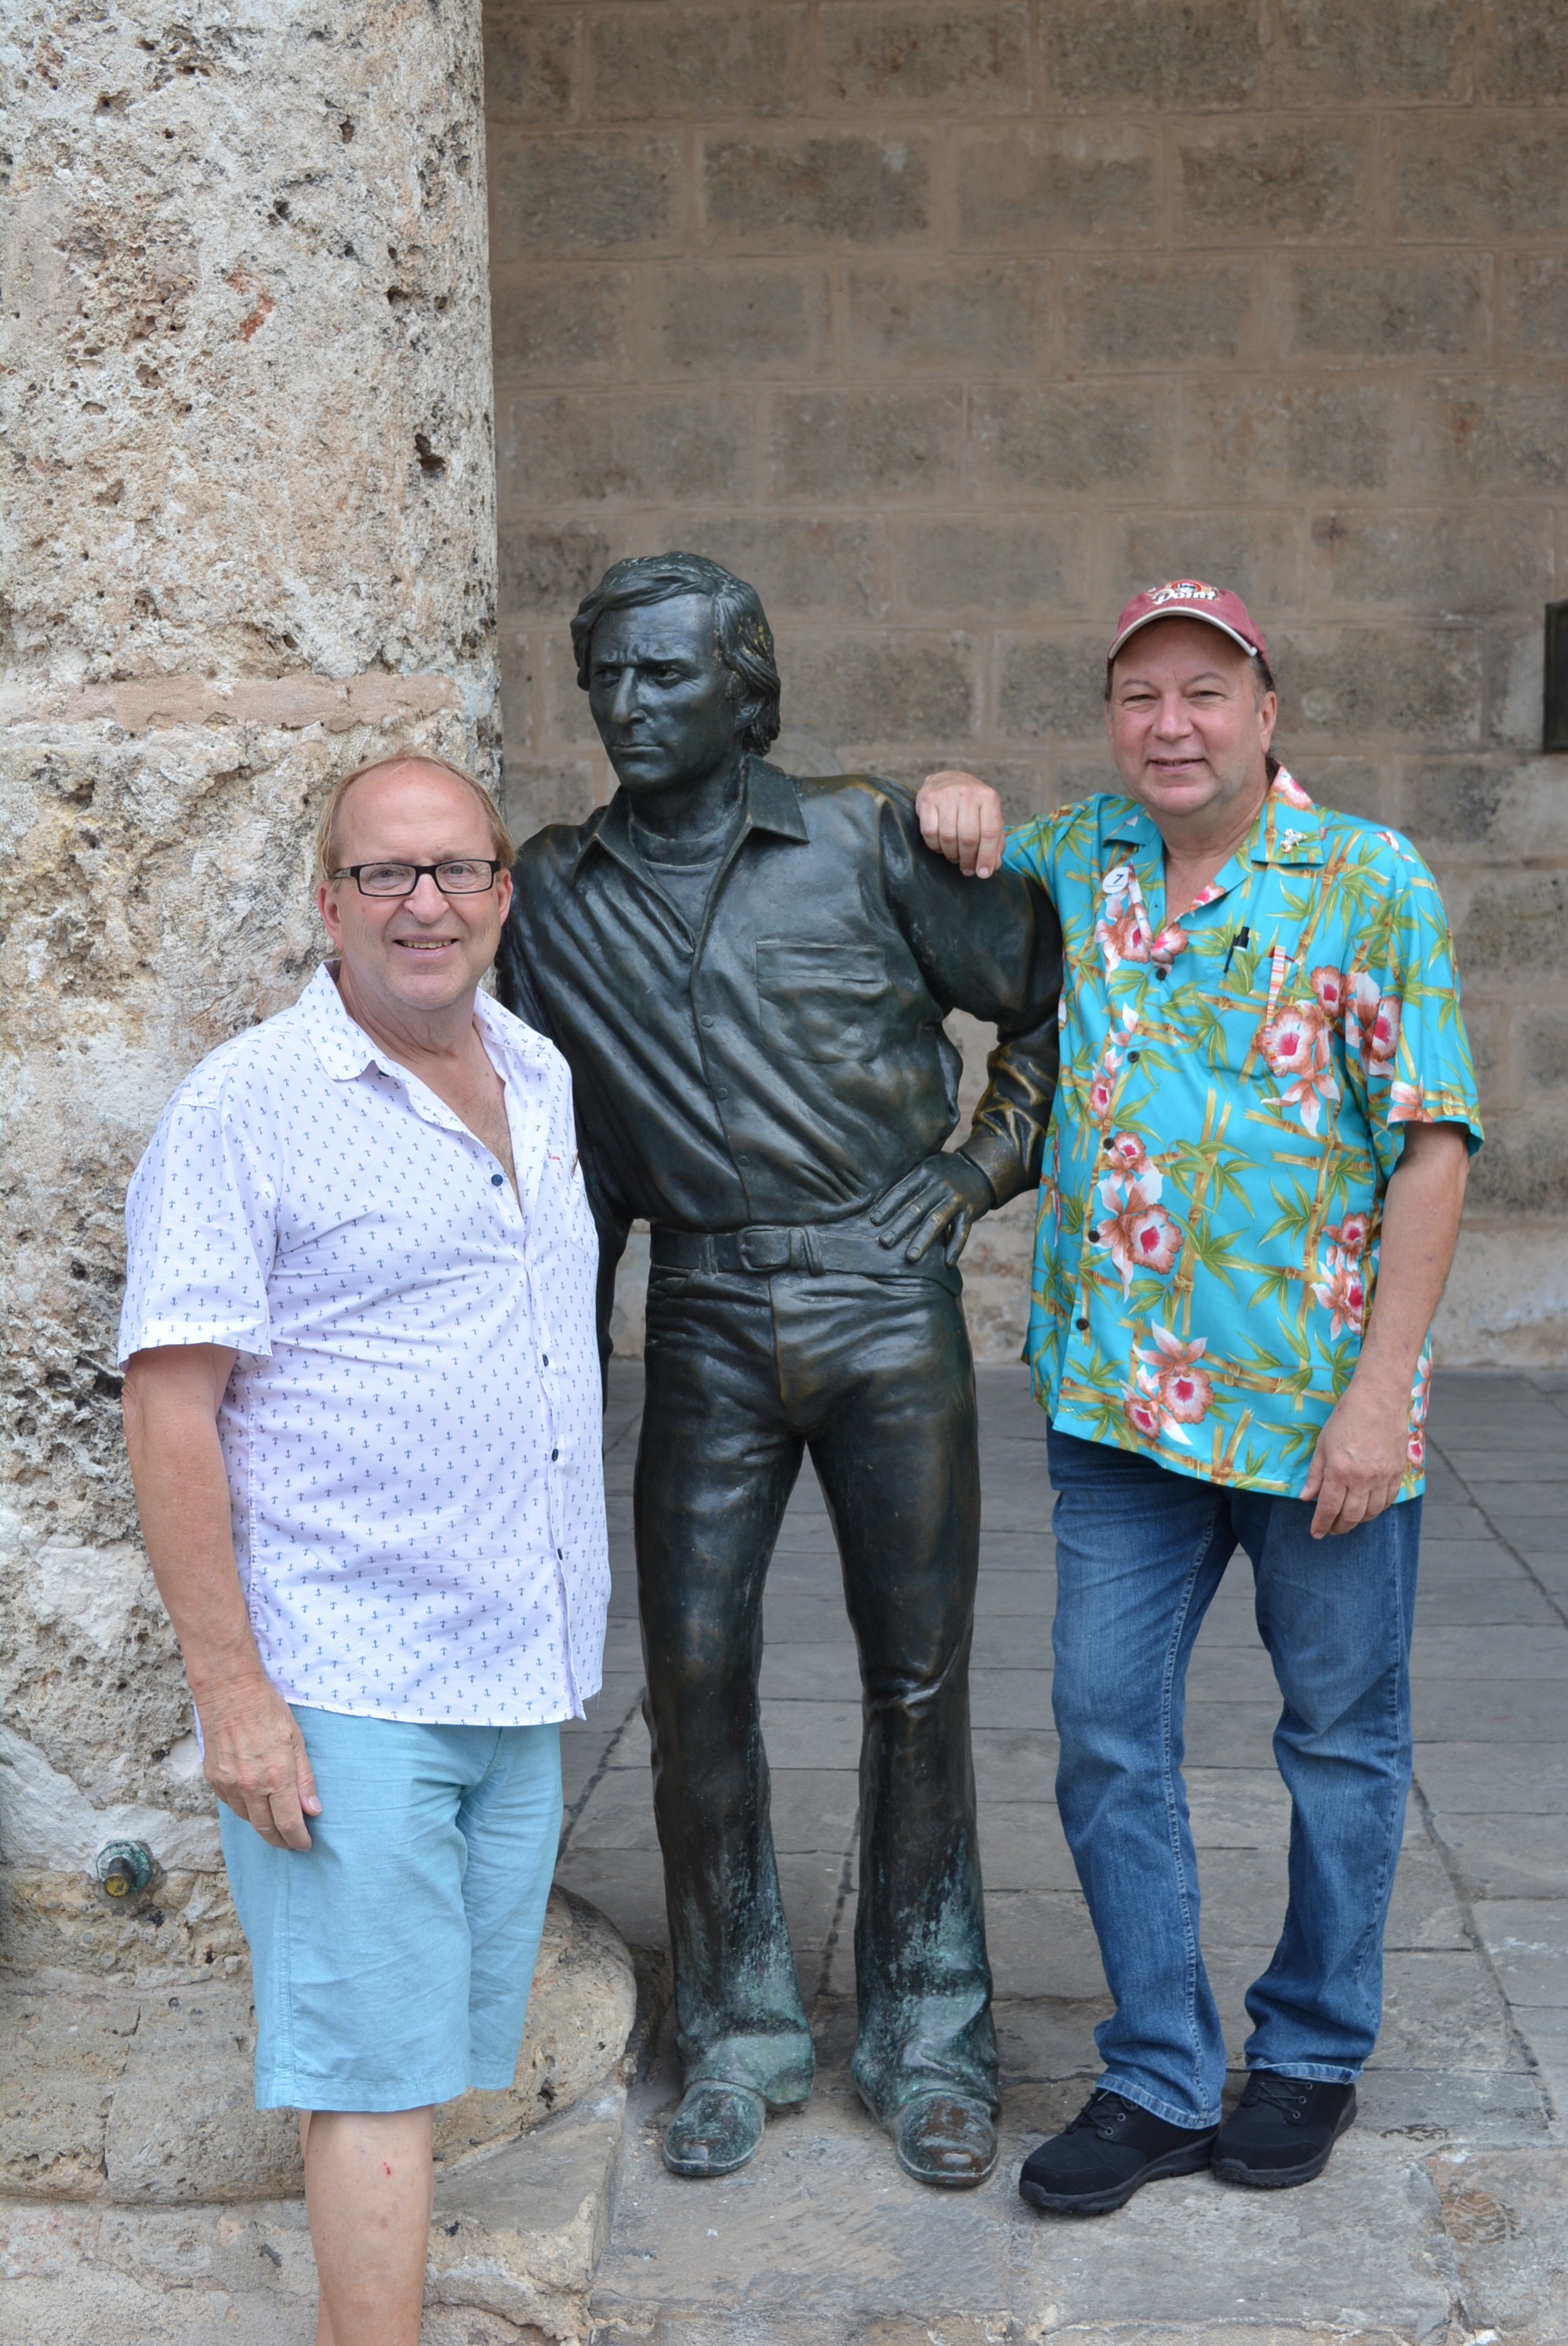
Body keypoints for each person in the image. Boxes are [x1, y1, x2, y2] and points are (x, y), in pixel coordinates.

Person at [916, 579, 1482, 2213]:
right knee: (1104, 1734)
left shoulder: (1366, 879)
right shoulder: (1080, 859)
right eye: (1140, 695)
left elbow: (1432, 1146)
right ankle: (1158, 2071)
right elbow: (949, 870)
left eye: (1205, 692)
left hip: (1316, 1414)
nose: (1172, 725)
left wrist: (1380, 1395)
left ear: (1266, 711)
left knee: (1340, 1740)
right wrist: (949, 797)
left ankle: (1309, 2050)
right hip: (1119, 1414)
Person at [498, 552, 1062, 2188]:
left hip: (885, 1306)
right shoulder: (552, 896)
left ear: (746, 692)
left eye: (666, 674)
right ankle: (737, 2032)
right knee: (691, 1681)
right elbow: (550, 1141)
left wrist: (971, 1172)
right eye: (607, 676)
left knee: (918, 1676)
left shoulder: (869, 835)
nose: (628, 704)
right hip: (704, 1314)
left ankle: (931, 2036)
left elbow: (1048, 1010)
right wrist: (553, 1370)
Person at [118, 754, 608, 2346]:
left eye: (457, 869)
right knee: (374, 2076)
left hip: (515, 1666)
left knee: (429, 2056)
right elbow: (169, 1406)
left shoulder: (537, 1071)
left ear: (502, 893)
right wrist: (234, 1695)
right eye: (385, 873)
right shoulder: (249, 1104)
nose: (425, 904)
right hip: (350, 1679)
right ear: (327, 905)